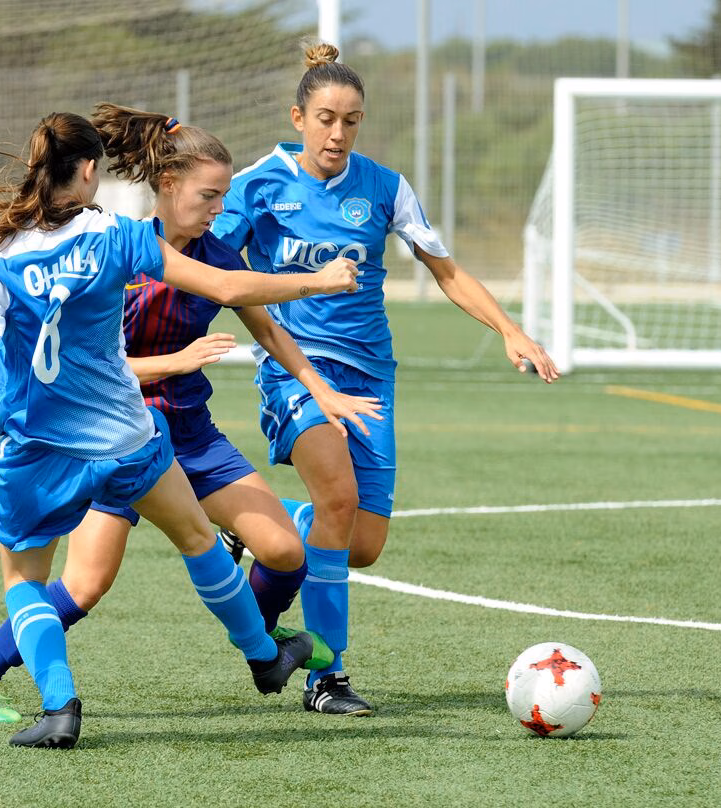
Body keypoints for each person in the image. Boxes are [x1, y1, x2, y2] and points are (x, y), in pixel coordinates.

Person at [0, 111, 364, 749]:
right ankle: (263, 654)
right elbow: (228, 286)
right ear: (92, 172)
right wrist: (317, 279)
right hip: (129, 436)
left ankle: (60, 705)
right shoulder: (115, 236)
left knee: (26, 580)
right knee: (188, 544)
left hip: (43, 447)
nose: (217, 207)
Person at [210, 43, 559, 716]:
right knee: (337, 497)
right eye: (325, 118)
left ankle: (263, 526)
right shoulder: (259, 184)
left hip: (370, 375)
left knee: (361, 544)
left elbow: (447, 271)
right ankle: (327, 677)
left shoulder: (385, 187)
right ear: (298, 116)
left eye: (351, 120)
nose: (337, 133)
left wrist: (512, 331)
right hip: (297, 371)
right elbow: (219, 270)